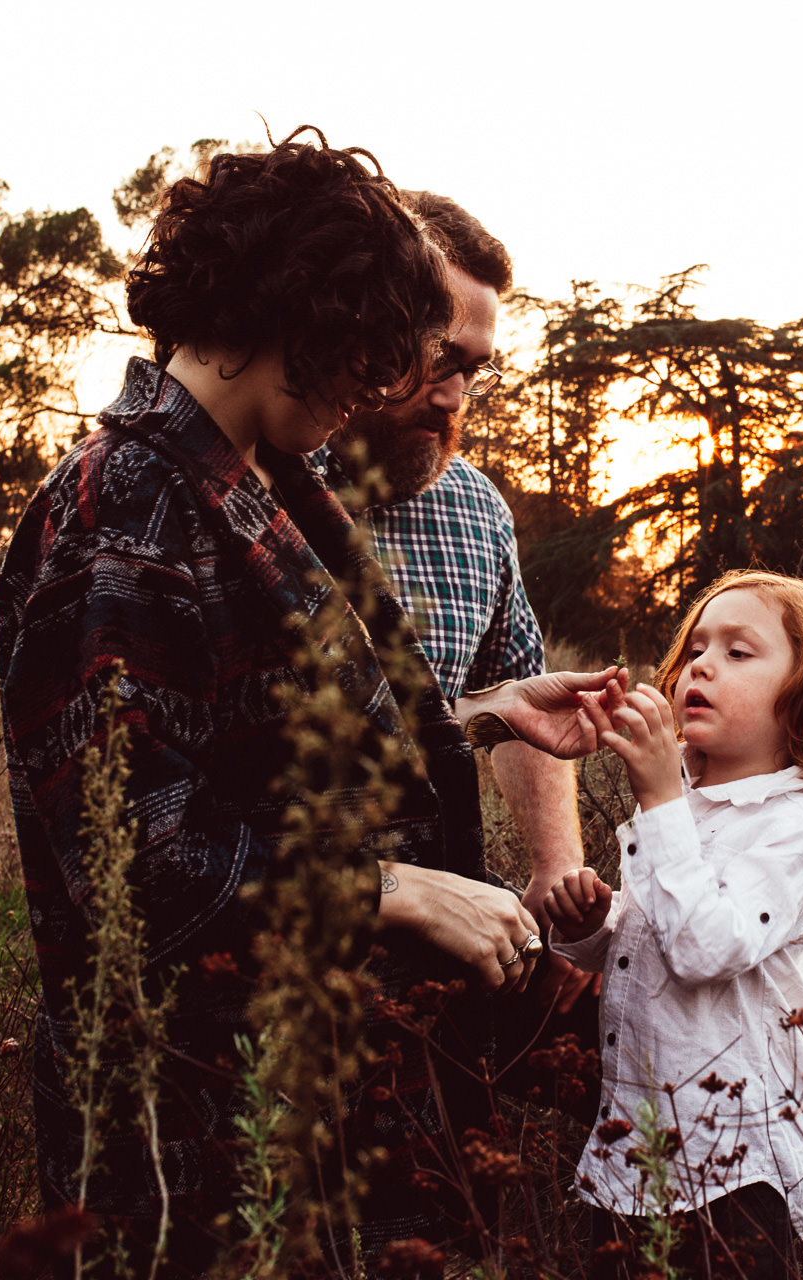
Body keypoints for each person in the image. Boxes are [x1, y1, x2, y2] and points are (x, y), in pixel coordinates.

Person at [0, 129, 619, 1276]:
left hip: (326, 1106)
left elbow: (284, 743)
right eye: (370, 348)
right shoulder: (123, 511)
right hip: (196, 1140)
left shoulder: (250, 486)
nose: (377, 386)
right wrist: (394, 890)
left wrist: (479, 716)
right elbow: (131, 860)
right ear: (302, 315)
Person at [544, 570, 803, 1280]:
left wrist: (660, 799)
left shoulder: (796, 828)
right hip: (635, 1152)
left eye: (738, 652)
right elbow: (652, 949)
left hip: (734, 1173)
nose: (700, 664)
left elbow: (707, 947)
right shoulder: (683, 808)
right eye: (696, 648)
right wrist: (589, 926)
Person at [312, 190, 593, 1017]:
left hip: (437, 978)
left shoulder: (474, 508)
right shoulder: (249, 491)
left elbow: (515, 692)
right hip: (271, 970)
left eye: (477, 368)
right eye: (441, 360)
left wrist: (556, 869)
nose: (456, 396)